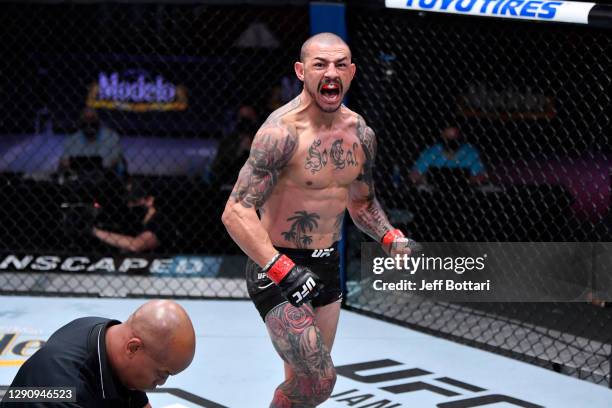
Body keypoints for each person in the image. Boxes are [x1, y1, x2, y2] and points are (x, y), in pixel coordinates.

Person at [222, 32, 415, 407]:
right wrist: (281, 269)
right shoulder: (280, 133)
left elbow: (361, 204)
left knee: (304, 388)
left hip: (328, 263)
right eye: (320, 64)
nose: (331, 72)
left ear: (353, 72)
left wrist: (389, 236)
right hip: (276, 264)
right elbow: (236, 211)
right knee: (320, 379)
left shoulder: (361, 134)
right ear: (300, 71)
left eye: (341, 64)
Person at [1, 300, 196, 408]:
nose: (162, 383)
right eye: (162, 374)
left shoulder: (112, 336)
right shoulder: (63, 391)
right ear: (133, 348)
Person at [92, 180, 172, 253]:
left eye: (134, 201)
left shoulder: (160, 220)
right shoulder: (136, 220)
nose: (130, 205)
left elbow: (136, 245)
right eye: (128, 202)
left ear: (149, 200)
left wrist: (95, 231)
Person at [410, 125, 487, 185]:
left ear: (460, 137)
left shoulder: (471, 152)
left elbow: (482, 176)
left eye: (454, 138)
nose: (451, 142)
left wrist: (464, 181)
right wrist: (426, 178)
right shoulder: (431, 152)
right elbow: (413, 175)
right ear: (442, 136)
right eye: (448, 139)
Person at [59, 107, 125, 175]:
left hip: (106, 176)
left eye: (92, 118)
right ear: (80, 122)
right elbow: (64, 162)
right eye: (86, 119)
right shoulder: (71, 139)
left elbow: (116, 162)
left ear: (98, 121)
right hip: (78, 177)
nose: (89, 123)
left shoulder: (112, 137)